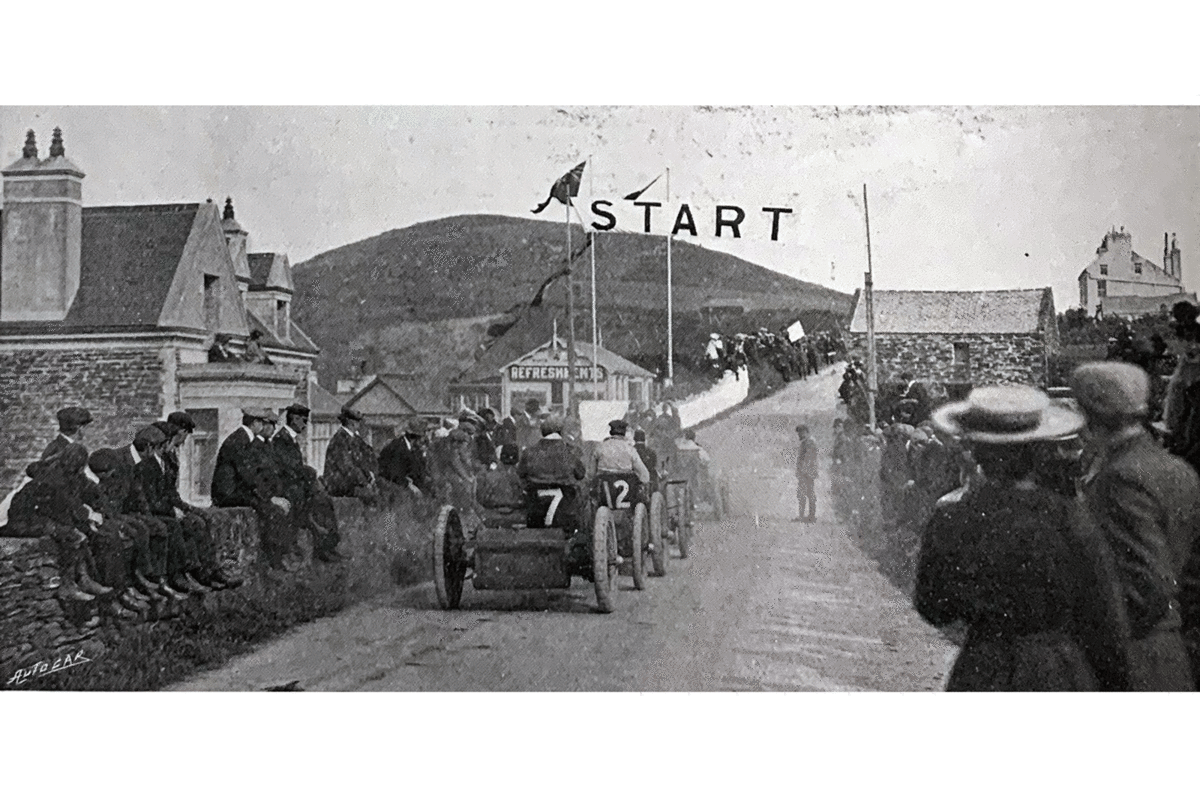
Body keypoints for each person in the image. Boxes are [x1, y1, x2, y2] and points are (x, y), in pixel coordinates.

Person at [916, 384, 1133, 691]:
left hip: (983, 668)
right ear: (1037, 450)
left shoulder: (952, 517)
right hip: (1055, 670)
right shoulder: (1069, 517)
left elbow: (932, 607)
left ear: (977, 451)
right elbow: (1103, 616)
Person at [1072, 361, 1200, 690]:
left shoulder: (1121, 478)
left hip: (1134, 658)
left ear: (1089, 415)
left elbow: (1143, 588)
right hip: (1171, 649)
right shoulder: (1177, 469)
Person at [7, 443, 112, 603]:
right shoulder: (54, 477)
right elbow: (68, 505)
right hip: (25, 519)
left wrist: (100, 506)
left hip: (43, 516)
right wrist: (90, 516)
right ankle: (67, 586)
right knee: (72, 535)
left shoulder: (70, 472)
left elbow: (89, 489)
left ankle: (83, 579)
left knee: (78, 532)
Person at [212, 408, 297, 571]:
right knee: (271, 510)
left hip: (236, 490)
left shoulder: (243, 438)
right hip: (228, 494)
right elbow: (248, 476)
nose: (264, 426)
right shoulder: (239, 440)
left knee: (273, 507)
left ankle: (277, 556)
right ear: (255, 423)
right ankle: (274, 560)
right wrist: (270, 498)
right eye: (262, 422)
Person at [272, 403, 343, 564]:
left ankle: (327, 546)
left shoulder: (291, 439)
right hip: (288, 488)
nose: (305, 425)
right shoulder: (281, 440)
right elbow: (289, 469)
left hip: (297, 485)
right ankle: (321, 547)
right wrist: (310, 475)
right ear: (294, 419)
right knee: (315, 506)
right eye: (303, 421)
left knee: (324, 501)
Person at [323, 406, 381, 503]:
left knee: (383, 492)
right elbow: (347, 468)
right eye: (359, 422)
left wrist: (371, 477)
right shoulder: (339, 440)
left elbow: (366, 458)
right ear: (352, 423)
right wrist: (365, 483)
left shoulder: (355, 439)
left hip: (351, 483)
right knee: (374, 498)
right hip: (338, 485)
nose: (361, 425)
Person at [591, 419, 651, 499]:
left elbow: (591, 474)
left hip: (604, 496)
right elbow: (645, 476)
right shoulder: (630, 449)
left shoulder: (600, 447)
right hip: (626, 497)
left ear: (611, 432)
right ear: (624, 433)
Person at [475, 443, 526, 525]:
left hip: (492, 516)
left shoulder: (489, 476)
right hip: (516, 516)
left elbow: (481, 498)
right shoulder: (520, 477)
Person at [379, 417, 430, 495]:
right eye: (422, 438)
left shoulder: (411, 449)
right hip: (393, 490)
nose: (424, 441)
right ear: (416, 437)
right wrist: (409, 485)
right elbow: (393, 474)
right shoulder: (398, 448)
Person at [794, 424, 819, 523]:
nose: (799, 435)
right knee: (805, 494)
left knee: (807, 494)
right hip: (806, 472)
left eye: (800, 433)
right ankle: (806, 515)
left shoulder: (809, 442)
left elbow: (808, 458)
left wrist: (803, 471)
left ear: (805, 432)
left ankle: (810, 516)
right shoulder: (806, 442)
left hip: (807, 473)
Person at [633, 429, 659, 496]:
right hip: (649, 485)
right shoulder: (652, 452)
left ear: (634, 439)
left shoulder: (631, 451)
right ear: (644, 439)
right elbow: (653, 466)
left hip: (634, 485)